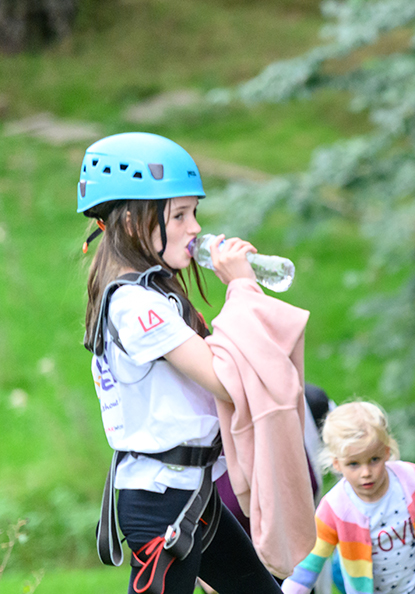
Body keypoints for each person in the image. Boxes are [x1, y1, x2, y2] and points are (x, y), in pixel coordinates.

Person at [80, 132, 285, 594]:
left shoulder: (152, 294)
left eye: (195, 212)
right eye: (178, 215)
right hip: (161, 500)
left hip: (191, 492)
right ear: (132, 222)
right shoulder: (134, 305)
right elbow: (226, 379)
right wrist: (242, 287)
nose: (195, 228)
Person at [281, 401, 415, 594]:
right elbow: (309, 565)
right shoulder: (334, 508)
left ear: (386, 452)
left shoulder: (412, 480)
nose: (366, 472)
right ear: (337, 464)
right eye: (353, 464)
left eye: (373, 459)